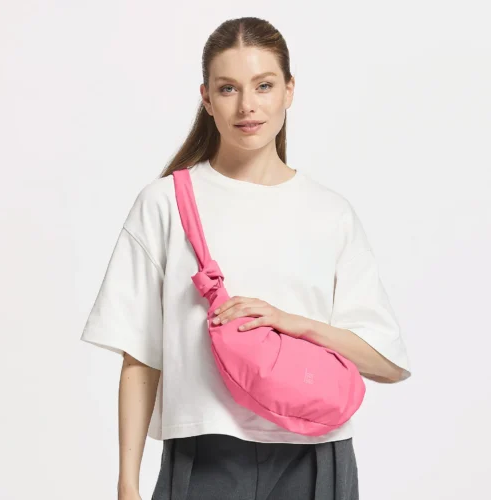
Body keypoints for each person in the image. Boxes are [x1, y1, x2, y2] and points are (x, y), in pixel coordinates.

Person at [80, 16, 411, 500]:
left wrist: (291, 323)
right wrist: (127, 484)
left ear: (289, 90)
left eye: (264, 85)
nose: (247, 105)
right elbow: (140, 354)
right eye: (228, 88)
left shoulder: (331, 213)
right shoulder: (165, 203)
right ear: (206, 98)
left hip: (316, 454)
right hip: (204, 451)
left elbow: (386, 363)